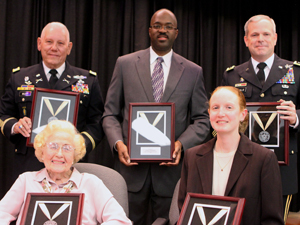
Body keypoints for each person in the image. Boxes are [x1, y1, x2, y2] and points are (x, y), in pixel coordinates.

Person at [102, 8, 210, 225]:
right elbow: (110, 114)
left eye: (168, 27)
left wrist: (181, 144)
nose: (163, 30)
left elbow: (202, 119)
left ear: (176, 33)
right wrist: (118, 144)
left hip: (170, 174)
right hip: (130, 172)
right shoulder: (125, 64)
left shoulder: (192, 71)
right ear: (149, 30)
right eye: (158, 26)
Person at [0, 22, 104, 185]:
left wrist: (78, 144)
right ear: (39, 44)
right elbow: (4, 114)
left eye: (60, 43)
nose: (54, 48)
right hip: (28, 163)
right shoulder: (19, 77)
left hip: (70, 165)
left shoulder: (88, 80)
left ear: (69, 48)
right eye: (49, 42)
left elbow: (97, 123)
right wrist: (16, 126)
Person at [221, 14, 300, 222]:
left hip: (282, 168)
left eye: (266, 34)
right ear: (246, 40)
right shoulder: (232, 75)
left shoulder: (295, 72)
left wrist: (296, 118)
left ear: (275, 38)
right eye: (254, 35)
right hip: (242, 165)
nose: (260, 39)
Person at [178, 86, 284, 224]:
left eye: (229, 107)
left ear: (243, 114)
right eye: (215, 108)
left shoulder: (264, 159)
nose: (221, 113)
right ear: (209, 113)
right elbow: (184, 211)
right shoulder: (192, 156)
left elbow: (272, 220)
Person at [0, 120, 131, 225]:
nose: (59, 154)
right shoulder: (26, 181)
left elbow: (120, 221)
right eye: (53, 146)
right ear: (42, 151)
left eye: (67, 148)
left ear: (75, 154)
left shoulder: (91, 184)